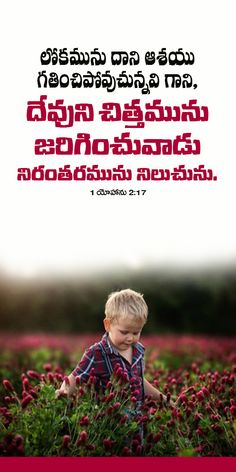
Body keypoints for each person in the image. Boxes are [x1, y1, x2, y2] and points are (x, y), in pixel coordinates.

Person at [55, 288, 174, 410]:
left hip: (137, 423)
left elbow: (140, 381)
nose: (130, 338)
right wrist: (63, 391)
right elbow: (74, 378)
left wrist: (163, 399)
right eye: (124, 332)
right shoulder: (97, 353)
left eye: (136, 332)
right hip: (110, 423)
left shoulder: (138, 351)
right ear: (108, 325)